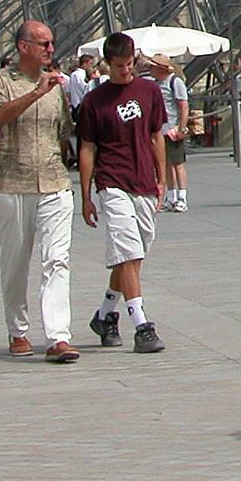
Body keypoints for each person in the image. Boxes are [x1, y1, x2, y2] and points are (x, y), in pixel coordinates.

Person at [0, 18, 78, 361]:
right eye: (44, 44)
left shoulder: (57, 86)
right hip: (13, 181)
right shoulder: (0, 81)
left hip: (54, 180)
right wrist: (36, 92)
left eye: (52, 43)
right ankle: (18, 330)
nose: (51, 49)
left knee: (57, 259)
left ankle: (58, 336)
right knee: (16, 260)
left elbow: (63, 131)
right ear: (23, 47)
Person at [77, 31, 168, 354]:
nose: (125, 70)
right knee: (127, 251)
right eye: (119, 66)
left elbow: (156, 135)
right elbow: (87, 148)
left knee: (133, 254)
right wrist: (86, 195)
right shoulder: (93, 102)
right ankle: (141, 324)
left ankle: (104, 315)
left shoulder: (149, 91)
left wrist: (162, 178)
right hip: (112, 180)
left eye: (129, 64)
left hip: (143, 180)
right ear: (107, 63)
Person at [146, 56, 192, 212]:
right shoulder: (156, 83)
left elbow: (183, 106)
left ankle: (182, 197)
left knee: (178, 163)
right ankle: (171, 197)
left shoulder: (175, 82)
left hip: (172, 128)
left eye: (152, 67)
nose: (150, 70)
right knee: (165, 164)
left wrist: (181, 128)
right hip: (160, 130)